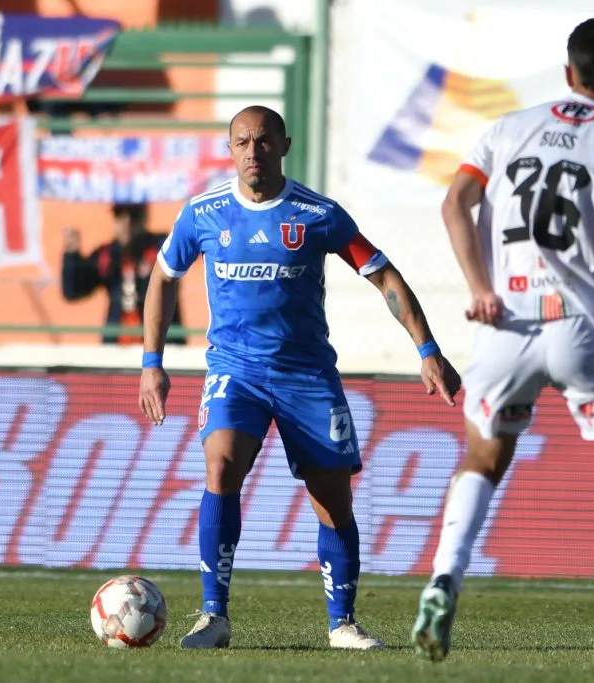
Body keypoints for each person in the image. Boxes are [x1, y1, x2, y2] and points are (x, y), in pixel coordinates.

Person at [411, 16, 594, 662]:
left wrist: (479, 286)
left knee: (483, 458)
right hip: (583, 326)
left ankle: (444, 577)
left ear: (567, 72)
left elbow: (455, 204)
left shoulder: (506, 128)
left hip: (506, 324)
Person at [138, 105, 462, 650]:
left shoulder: (318, 214)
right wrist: (152, 363)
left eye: (263, 142)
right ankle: (212, 615)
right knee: (220, 464)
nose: (252, 153)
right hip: (235, 372)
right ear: (229, 148)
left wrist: (427, 347)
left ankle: (343, 623)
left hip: (306, 377)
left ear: (284, 145)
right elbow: (164, 277)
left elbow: (382, 273)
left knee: (332, 498)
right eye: (242, 142)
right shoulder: (203, 214)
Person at [63, 202, 186, 345]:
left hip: (161, 347)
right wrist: (71, 256)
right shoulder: (107, 254)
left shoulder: (162, 247)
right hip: (117, 349)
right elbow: (73, 291)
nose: (126, 222)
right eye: (119, 215)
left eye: (133, 216)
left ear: (144, 217)